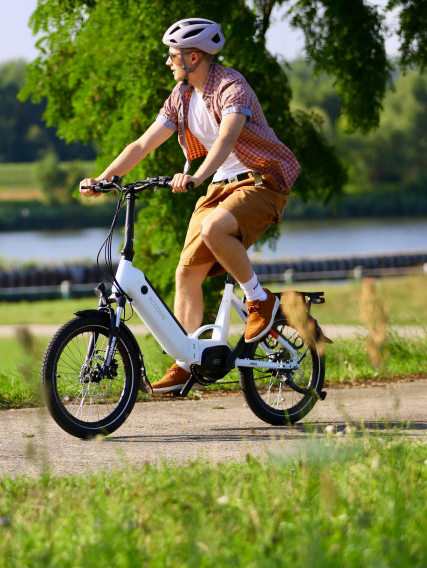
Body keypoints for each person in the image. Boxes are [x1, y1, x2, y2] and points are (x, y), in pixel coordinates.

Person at [79, 17, 301, 393]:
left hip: (261, 181)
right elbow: (143, 144)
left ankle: (260, 300)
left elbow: (228, 137)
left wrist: (197, 176)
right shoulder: (181, 97)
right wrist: (106, 177)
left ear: (194, 57)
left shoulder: (233, 87)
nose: (169, 62)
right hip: (219, 188)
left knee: (215, 228)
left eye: (173, 55)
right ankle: (186, 360)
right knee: (186, 274)